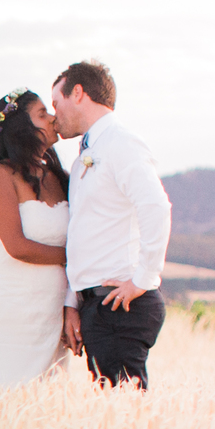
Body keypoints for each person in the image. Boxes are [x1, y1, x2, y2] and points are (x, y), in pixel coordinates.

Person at [48, 61, 172, 388]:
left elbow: (155, 207)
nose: (53, 115)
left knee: (126, 411)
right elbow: (83, 234)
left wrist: (144, 278)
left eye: (56, 103)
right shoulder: (83, 157)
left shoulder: (121, 143)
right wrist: (73, 303)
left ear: (78, 93)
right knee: (113, 413)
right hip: (97, 306)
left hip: (121, 304)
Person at [0, 91, 73, 392]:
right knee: (8, 405)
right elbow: (17, 246)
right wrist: (79, 256)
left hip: (53, 312)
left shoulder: (60, 177)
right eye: (43, 113)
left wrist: (72, 306)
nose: (53, 118)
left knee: (50, 410)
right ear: (21, 127)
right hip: (11, 313)